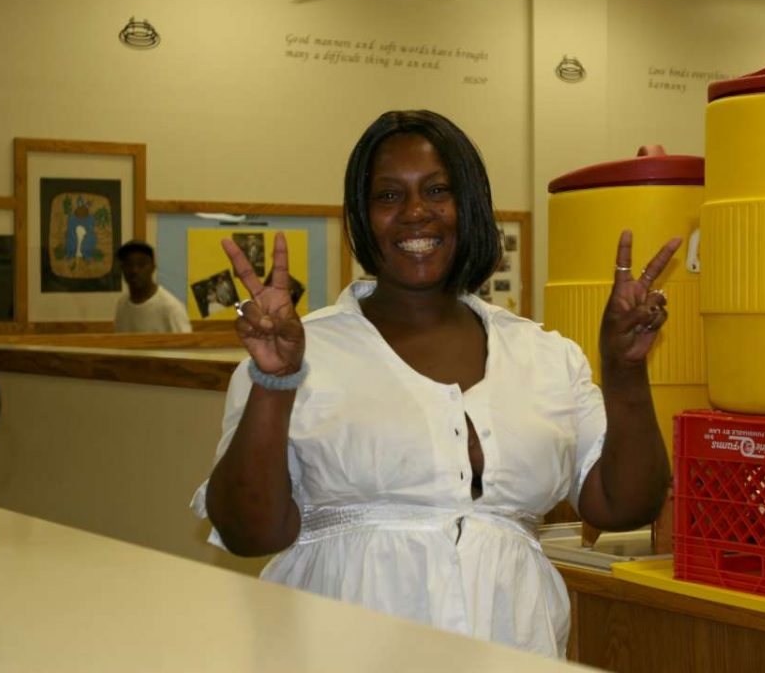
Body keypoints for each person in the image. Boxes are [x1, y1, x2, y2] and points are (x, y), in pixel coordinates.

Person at [192, 110, 678, 658]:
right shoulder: (300, 349)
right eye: (389, 196)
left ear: (466, 206)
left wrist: (626, 369)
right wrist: (273, 382)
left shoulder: (543, 355)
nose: (416, 213)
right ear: (361, 215)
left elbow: (623, 505)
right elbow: (248, 534)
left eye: (437, 190)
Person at [113, 240, 192, 333]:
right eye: (128, 264)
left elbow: (187, 345)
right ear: (122, 269)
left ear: (153, 267)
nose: (134, 270)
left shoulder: (171, 308)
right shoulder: (122, 305)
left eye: (141, 264)